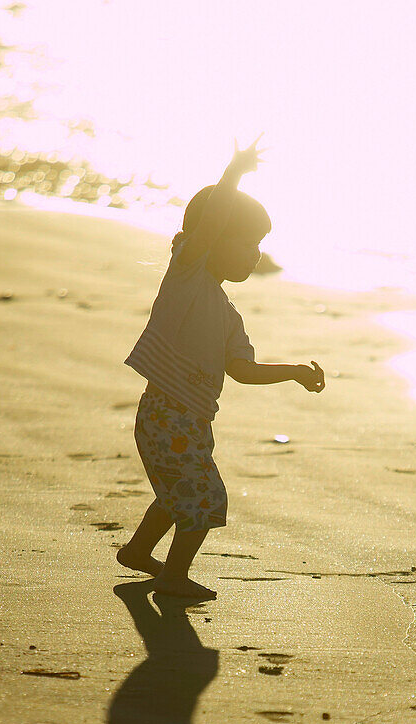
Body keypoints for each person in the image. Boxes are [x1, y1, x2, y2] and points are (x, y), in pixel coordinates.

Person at [117, 136, 325, 601]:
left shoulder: (229, 316)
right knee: (205, 498)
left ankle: (136, 552)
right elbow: (209, 226)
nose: (255, 254)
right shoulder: (187, 276)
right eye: (247, 241)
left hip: (191, 421)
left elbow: (242, 370)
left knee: (180, 493)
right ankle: (172, 578)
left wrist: (292, 370)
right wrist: (234, 174)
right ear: (214, 241)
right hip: (165, 414)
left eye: (260, 245)